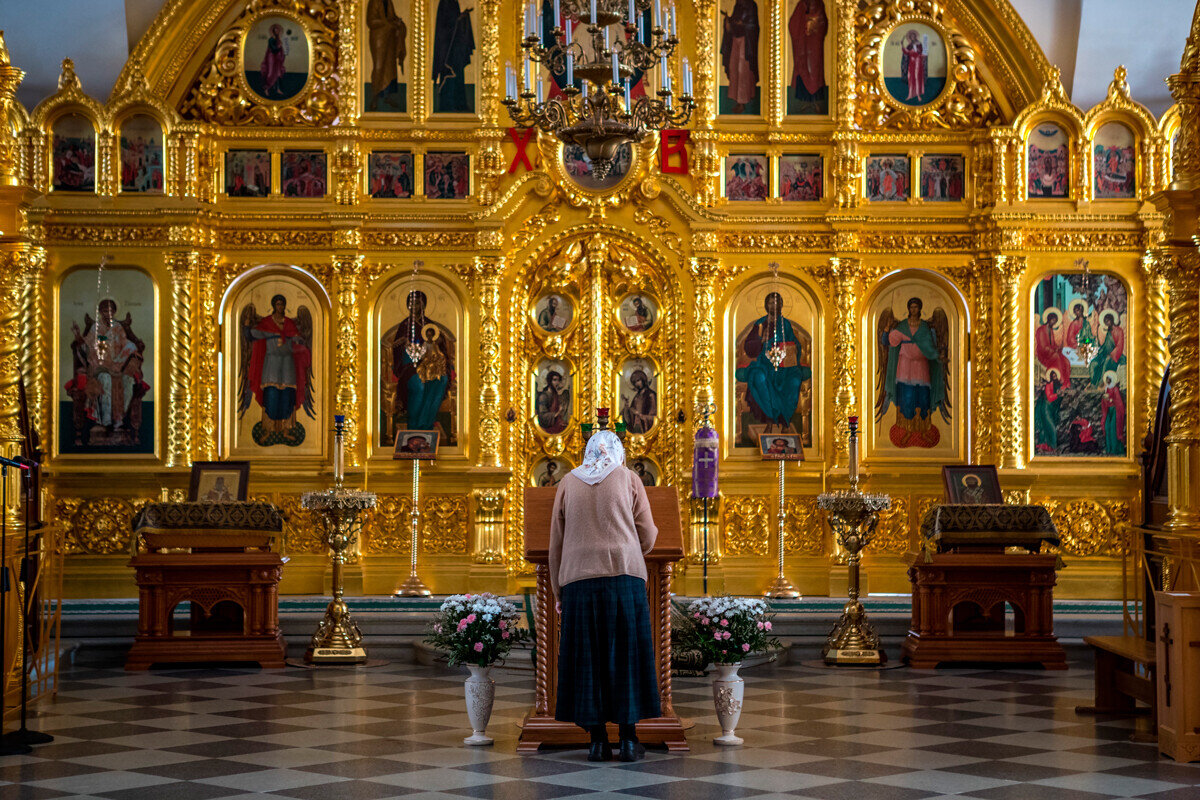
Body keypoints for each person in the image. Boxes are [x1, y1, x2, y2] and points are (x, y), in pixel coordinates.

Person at [549, 431, 660, 763]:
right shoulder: (628, 478)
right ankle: (628, 740)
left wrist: (558, 589)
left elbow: (556, 540)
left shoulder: (568, 482)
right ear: (617, 452)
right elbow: (648, 533)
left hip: (579, 583)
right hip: (623, 578)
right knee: (627, 658)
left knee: (588, 660)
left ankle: (597, 742)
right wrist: (629, 550)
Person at [735, 292, 811, 437]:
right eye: (770, 303)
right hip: (765, 364)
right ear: (765, 305)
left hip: (786, 367)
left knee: (794, 381)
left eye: (776, 303)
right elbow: (749, 348)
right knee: (760, 378)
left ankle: (785, 422)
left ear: (781, 305)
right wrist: (760, 341)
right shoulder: (759, 324)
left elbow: (796, 345)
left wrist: (790, 350)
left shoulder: (786, 324)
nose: (773, 305)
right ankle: (769, 421)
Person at [432, 0, 475, 113]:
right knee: (450, 75)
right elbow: (445, 25)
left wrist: (462, 17)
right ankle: (448, 105)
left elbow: (453, 22)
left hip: (456, 48)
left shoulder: (453, 2)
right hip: (447, 49)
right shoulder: (446, 2)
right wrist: (459, 19)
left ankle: (459, 104)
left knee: (458, 75)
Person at [367, 0, 407, 111]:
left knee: (390, 67)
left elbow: (392, 17)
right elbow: (371, 21)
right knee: (379, 67)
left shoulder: (388, 2)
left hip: (390, 37)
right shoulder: (374, 2)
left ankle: (387, 96)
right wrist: (388, 24)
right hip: (379, 38)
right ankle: (374, 97)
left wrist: (398, 22)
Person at [787, 0, 827, 112]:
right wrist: (803, 24)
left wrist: (813, 23)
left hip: (814, 44)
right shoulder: (801, 5)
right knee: (803, 68)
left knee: (815, 70)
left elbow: (823, 22)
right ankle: (805, 102)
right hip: (802, 45)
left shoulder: (819, 4)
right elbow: (793, 24)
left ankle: (815, 102)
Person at [720, 0, 759, 113]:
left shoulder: (751, 5)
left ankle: (742, 102)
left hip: (745, 44)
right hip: (735, 41)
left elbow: (753, 25)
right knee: (734, 68)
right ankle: (737, 100)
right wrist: (728, 22)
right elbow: (734, 22)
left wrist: (742, 25)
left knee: (743, 70)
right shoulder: (738, 5)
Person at [621, 369, 657, 434]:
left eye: (638, 381)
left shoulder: (651, 395)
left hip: (645, 427)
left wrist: (641, 416)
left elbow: (653, 416)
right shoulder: (636, 397)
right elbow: (631, 414)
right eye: (634, 382)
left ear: (643, 380)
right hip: (636, 426)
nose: (636, 384)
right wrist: (627, 408)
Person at [260, 23, 288, 98]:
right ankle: (266, 89)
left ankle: (278, 89)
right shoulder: (271, 39)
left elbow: (280, 49)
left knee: (278, 73)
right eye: (275, 30)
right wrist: (279, 47)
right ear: (273, 31)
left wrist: (282, 50)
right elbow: (273, 49)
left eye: (278, 30)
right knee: (271, 73)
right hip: (271, 58)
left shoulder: (278, 39)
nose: (277, 32)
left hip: (277, 59)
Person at [900, 29, 927, 103]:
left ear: (915, 36)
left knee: (917, 78)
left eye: (913, 36)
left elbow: (921, 53)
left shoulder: (919, 44)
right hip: (911, 63)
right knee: (911, 78)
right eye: (911, 37)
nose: (912, 38)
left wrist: (915, 52)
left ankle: (918, 94)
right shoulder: (910, 45)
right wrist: (902, 45)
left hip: (918, 62)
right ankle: (910, 94)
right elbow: (906, 52)